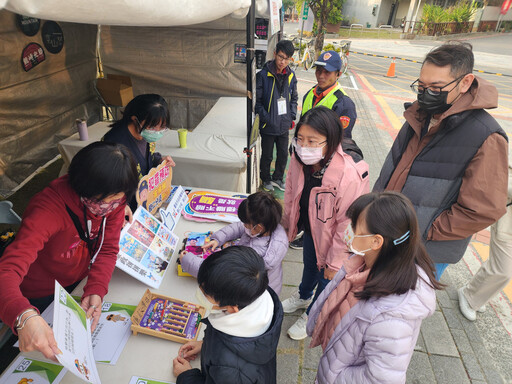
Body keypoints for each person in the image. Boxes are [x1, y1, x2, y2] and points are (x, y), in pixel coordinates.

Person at [373, 41, 508, 279]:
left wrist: (426, 230)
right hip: (389, 232)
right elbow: (391, 169)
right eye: (422, 86)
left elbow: (484, 209)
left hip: (426, 251)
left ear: (465, 83)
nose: (426, 94)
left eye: (436, 87)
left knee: (402, 311)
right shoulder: (419, 114)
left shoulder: (486, 136)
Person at [0, 142, 138, 360]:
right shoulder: (47, 209)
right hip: (40, 292)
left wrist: (96, 287)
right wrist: (23, 316)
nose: (109, 208)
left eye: (117, 200)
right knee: (38, 352)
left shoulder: (114, 202)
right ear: (81, 186)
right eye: (103, 201)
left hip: (76, 282)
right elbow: (6, 273)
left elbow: (108, 249)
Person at [307, 191, 441, 383]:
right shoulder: (364, 261)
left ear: (376, 241)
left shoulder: (391, 317)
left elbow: (381, 379)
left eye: (354, 227)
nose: (349, 230)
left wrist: (333, 377)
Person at [280, 106, 369, 340]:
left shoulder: (347, 174)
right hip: (312, 230)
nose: (304, 146)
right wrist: (288, 224)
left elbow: (346, 223)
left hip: (335, 239)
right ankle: (303, 296)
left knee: (325, 276)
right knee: (309, 265)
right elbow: (291, 193)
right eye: (300, 139)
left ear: (330, 141)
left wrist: (336, 261)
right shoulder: (298, 159)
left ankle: (313, 313)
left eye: (312, 141)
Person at [172, 246, 283, 384]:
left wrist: (186, 375)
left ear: (232, 309)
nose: (199, 292)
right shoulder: (260, 299)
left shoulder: (229, 368)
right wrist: (206, 344)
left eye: (205, 293)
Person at [290, 50, 358, 250]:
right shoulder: (310, 93)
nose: (321, 75)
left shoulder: (343, 104)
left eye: (327, 72)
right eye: (318, 70)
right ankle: (301, 227)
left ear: (338, 74)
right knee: (302, 197)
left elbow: (340, 141)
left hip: (324, 167)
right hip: (306, 159)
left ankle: (312, 233)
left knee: (318, 203)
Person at [180, 191, 288, 295]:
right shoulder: (268, 226)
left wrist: (188, 261)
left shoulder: (256, 256)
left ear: (258, 227)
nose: (244, 226)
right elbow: (238, 227)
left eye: (246, 224)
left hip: (254, 296)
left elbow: (222, 274)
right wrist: (217, 239)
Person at [458, 154, 512, 321]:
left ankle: (477, 293)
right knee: (503, 270)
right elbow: (502, 179)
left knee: (501, 265)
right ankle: (469, 295)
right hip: (508, 225)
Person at [103, 93, 175, 211]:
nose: (157, 132)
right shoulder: (115, 144)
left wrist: (160, 161)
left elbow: (148, 158)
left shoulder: (145, 135)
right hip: (126, 207)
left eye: (162, 127)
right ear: (135, 120)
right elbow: (111, 185)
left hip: (145, 201)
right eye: (152, 127)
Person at [256, 40, 298, 192]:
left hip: (283, 125)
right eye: (281, 57)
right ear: (274, 54)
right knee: (267, 155)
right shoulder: (263, 75)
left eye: (287, 59)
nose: (283, 62)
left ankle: (278, 178)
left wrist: (291, 116)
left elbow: (294, 98)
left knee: (282, 155)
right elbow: (257, 102)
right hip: (268, 125)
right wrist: (267, 119)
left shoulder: (291, 76)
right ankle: (265, 178)